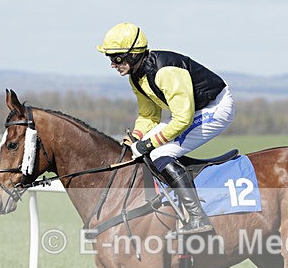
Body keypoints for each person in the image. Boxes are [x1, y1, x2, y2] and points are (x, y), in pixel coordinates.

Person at [97, 22, 235, 234]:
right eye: (110, 58)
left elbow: (182, 120)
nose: (112, 64)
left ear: (133, 55)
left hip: (215, 107)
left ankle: (198, 217)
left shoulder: (165, 72)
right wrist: (136, 138)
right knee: (141, 149)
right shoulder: (136, 77)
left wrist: (148, 144)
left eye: (116, 58)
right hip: (190, 112)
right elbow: (148, 115)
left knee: (159, 152)